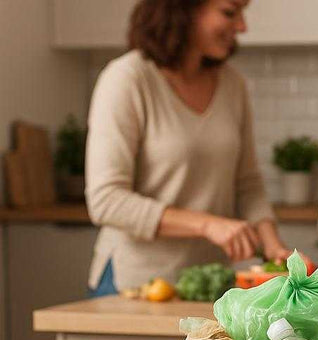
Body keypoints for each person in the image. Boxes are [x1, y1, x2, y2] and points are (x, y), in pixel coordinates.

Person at [85, 0, 288, 296]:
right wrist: (207, 225)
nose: (242, 26)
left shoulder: (233, 84)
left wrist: (273, 248)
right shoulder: (127, 79)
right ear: (182, 10)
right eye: (229, 13)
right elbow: (106, 200)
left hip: (212, 286)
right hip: (135, 284)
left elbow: (247, 184)